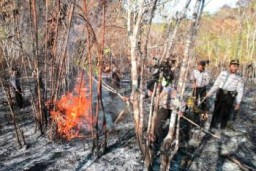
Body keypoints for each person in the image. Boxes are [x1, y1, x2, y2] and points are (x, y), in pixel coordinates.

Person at [207, 59, 244, 130]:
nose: (235, 68)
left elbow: (240, 91)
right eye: (233, 66)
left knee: (226, 112)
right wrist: (210, 92)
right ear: (230, 66)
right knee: (216, 110)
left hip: (230, 95)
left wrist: (238, 102)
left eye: (237, 66)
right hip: (221, 93)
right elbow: (216, 84)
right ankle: (212, 127)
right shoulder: (223, 73)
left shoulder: (239, 78)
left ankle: (222, 128)